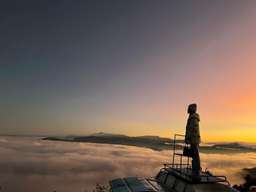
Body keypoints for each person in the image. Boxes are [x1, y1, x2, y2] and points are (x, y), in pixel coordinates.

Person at [185, 103, 201, 181]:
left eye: (189, 108)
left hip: (193, 140)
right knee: (194, 156)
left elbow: (191, 130)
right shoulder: (193, 117)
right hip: (194, 139)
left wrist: (188, 138)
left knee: (195, 156)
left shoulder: (193, 118)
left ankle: (196, 173)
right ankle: (195, 172)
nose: (187, 109)